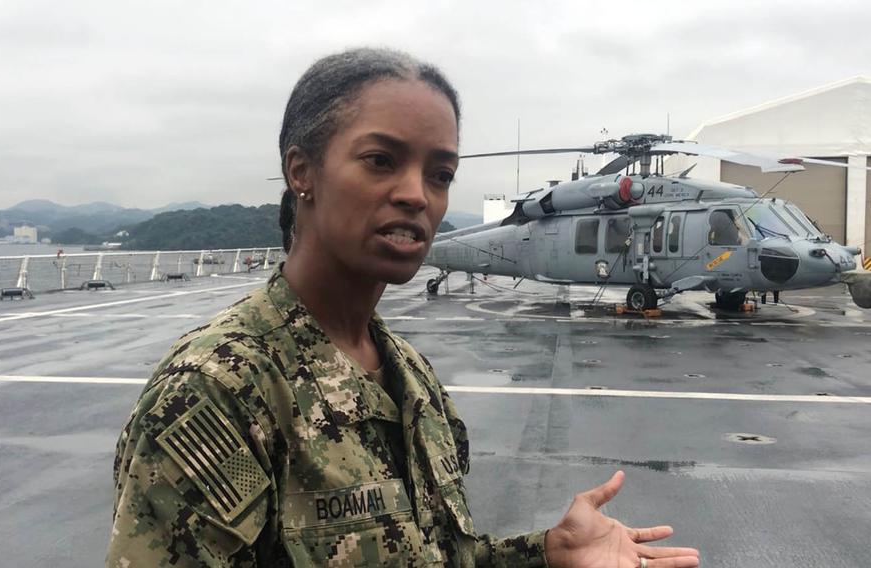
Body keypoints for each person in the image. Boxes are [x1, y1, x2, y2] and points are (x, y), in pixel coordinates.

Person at [107, 48, 700, 568]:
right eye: (381, 160)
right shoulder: (218, 390)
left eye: (440, 174)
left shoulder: (409, 375)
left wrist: (546, 553)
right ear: (301, 172)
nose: (417, 194)